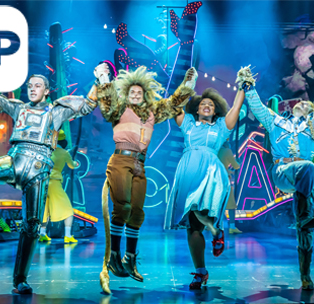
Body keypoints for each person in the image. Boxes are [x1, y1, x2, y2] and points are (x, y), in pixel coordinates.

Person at [0, 68, 97, 294]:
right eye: (30, 86)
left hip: (39, 167)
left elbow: (89, 105)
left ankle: (20, 279)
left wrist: (100, 82)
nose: (32, 89)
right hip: (16, 158)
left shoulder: (56, 112)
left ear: (47, 90)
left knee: (31, 225)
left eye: (37, 86)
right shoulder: (18, 107)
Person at [95, 63, 197, 294]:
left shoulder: (152, 111)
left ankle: (130, 257)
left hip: (140, 164)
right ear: (126, 93)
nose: (135, 94)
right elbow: (108, 105)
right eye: (132, 92)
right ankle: (113, 256)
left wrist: (188, 85)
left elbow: (172, 104)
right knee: (123, 207)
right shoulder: (119, 109)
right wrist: (104, 79)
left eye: (139, 92)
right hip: (121, 159)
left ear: (145, 94)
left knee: (138, 212)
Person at [244, 66, 314, 290]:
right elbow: (258, 108)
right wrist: (248, 87)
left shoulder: (312, 126)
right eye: (295, 104)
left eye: (304, 104)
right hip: (282, 172)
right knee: (307, 167)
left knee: (306, 228)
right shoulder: (275, 122)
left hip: (303, 180)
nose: (299, 104)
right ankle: (304, 214)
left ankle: (305, 274)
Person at [164, 66, 248, 289]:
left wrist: (242, 86)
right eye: (203, 104)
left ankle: (215, 229)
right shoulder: (188, 124)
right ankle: (201, 271)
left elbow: (237, 107)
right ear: (197, 109)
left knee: (194, 207)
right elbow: (174, 105)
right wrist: (187, 84)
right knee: (193, 228)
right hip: (188, 169)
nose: (207, 106)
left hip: (210, 173)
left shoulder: (222, 126)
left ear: (216, 109)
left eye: (210, 104)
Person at [39, 130, 78, 244]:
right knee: (68, 210)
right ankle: (67, 235)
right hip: (55, 183)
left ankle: (42, 234)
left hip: (43, 182)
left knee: (44, 210)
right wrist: (76, 163)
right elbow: (72, 165)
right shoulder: (64, 153)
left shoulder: (45, 151)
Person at [218, 141, 242, 234]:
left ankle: (210, 225)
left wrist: (229, 172)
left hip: (214, 180)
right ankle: (232, 227)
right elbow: (236, 166)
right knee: (231, 204)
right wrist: (238, 163)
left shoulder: (215, 151)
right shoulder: (227, 151)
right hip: (224, 181)